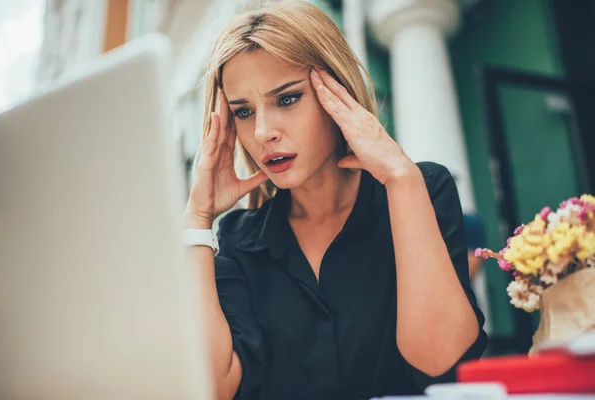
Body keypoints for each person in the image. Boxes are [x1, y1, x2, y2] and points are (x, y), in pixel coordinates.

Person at [184, 1, 487, 399]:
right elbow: (212, 389)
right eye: (243, 111)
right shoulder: (239, 241)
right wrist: (197, 218)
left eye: (287, 99)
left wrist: (400, 179)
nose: (262, 132)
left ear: (337, 92)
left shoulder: (421, 189)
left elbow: (440, 362)